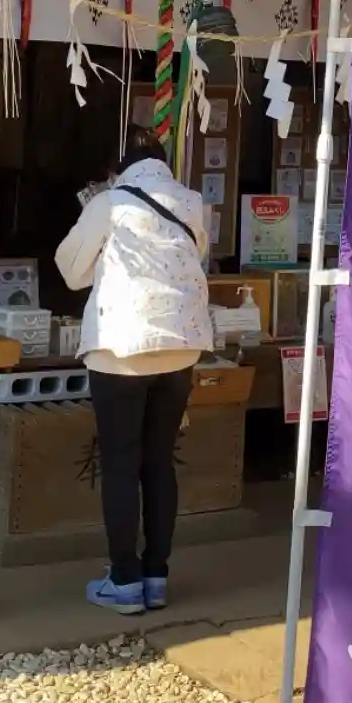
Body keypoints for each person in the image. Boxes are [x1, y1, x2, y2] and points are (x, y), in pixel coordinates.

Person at [56, 126, 213, 615]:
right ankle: (156, 576)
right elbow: (191, 257)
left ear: (115, 169)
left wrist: (94, 218)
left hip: (121, 348)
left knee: (122, 463)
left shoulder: (109, 203)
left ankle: (124, 581)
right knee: (159, 462)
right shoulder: (192, 203)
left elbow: (71, 271)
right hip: (181, 347)